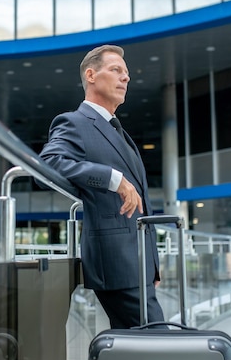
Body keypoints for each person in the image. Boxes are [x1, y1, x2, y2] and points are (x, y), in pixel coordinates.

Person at [39, 44, 165, 329]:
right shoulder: (75, 123)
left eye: (127, 74)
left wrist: (152, 264)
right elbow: (47, 164)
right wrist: (112, 178)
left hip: (136, 263)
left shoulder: (116, 129)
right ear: (91, 75)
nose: (126, 78)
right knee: (157, 341)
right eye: (116, 70)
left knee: (134, 350)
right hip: (116, 262)